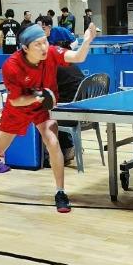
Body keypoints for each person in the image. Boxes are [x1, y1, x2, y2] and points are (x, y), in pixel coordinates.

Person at [0, 22, 98, 213]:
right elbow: (15, 100)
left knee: (53, 142)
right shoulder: (11, 66)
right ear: (25, 48)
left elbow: (78, 56)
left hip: (42, 109)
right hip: (18, 109)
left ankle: (60, 192)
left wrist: (87, 40)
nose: (44, 47)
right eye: (38, 44)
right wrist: (39, 96)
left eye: (45, 41)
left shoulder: (51, 53)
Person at [46, 27, 84, 165]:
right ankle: (68, 147)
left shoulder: (55, 64)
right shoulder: (70, 62)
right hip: (81, 110)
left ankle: (51, 154)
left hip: (69, 113)